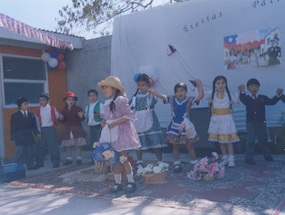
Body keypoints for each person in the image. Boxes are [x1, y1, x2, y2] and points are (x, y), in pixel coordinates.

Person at [145, 80, 204, 173]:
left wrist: (199, 84)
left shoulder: (189, 100)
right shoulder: (172, 99)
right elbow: (161, 96)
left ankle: (194, 163)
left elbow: (200, 96)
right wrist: (150, 91)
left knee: (189, 145)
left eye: (182, 90)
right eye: (177, 91)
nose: (179, 93)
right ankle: (176, 163)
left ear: (186, 91)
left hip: (185, 126)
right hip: (174, 126)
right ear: (175, 92)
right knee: (175, 145)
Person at [98, 76, 141, 194]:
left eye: (106, 87)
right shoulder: (108, 102)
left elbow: (129, 115)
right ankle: (117, 183)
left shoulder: (120, 100)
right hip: (112, 135)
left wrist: (115, 122)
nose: (104, 90)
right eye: (103, 88)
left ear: (114, 88)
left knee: (123, 158)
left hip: (121, 134)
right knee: (114, 159)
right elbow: (109, 117)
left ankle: (131, 182)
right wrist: (105, 121)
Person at [238, 79, 283, 165]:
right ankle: (249, 157)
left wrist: (278, 95)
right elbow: (242, 99)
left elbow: (272, 102)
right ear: (248, 88)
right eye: (252, 86)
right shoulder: (247, 98)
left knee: (264, 140)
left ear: (258, 88)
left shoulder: (263, 97)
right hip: (251, 123)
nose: (254, 88)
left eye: (256, 86)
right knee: (250, 140)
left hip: (261, 122)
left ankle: (267, 155)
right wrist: (241, 91)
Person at [129, 74, 167, 169]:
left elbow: (156, 100)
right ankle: (139, 160)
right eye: (139, 85)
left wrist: (150, 91)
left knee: (155, 141)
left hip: (150, 118)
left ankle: (160, 160)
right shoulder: (135, 95)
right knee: (139, 141)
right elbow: (130, 106)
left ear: (148, 84)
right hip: (138, 119)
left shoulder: (151, 93)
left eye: (143, 85)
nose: (141, 87)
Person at [207, 76, 240, 167]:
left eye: (222, 83)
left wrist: (239, 91)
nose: (220, 85)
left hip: (227, 119)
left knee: (228, 140)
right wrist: (198, 86)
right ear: (214, 85)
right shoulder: (212, 93)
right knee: (220, 140)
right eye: (218, 83)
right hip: (216, 119)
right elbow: (203, 95)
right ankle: (225, 158)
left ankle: (231, 159)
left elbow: (236, 101)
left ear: (226, 84)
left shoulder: (228, 94)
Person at [10, 97, 41, 170]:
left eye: (28, 104)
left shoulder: (31, 115)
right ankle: (13, 167)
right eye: (25, 104)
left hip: (29, 137)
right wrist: (12, 138)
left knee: (30, 153)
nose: (27, 105)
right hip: (20, 138)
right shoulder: (15, 116)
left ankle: (30, 165)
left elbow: (34, 126)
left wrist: (37, 133)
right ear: (20, 106)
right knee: (19, 154)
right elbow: (13, 128)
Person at [35, 93, 62, 168]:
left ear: (48, 101)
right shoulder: (38, 111)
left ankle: (56, 162)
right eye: (40, 100)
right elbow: (37, 122)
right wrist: (38, 132)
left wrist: (60, 117)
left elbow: (57, 116)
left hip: (50, 129)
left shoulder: (52, 108)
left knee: (53, 147)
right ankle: (39, 163)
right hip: (42, 129)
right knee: (41, 147)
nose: (41, 102)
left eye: (43, 100)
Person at [59, 91, 86, 165]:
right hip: (68, 130)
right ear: (65, 101)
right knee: (68, 144)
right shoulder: (64, 110)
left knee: (77, 144)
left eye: (72, 100)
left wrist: (81, 116)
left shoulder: (78, 109)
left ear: (75, 101)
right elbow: (62, 120)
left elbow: (82, 119)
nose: (71, 101)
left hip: (76, 129)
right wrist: (60, 118)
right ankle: (69, 158)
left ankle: (79, 158)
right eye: (69, 100)